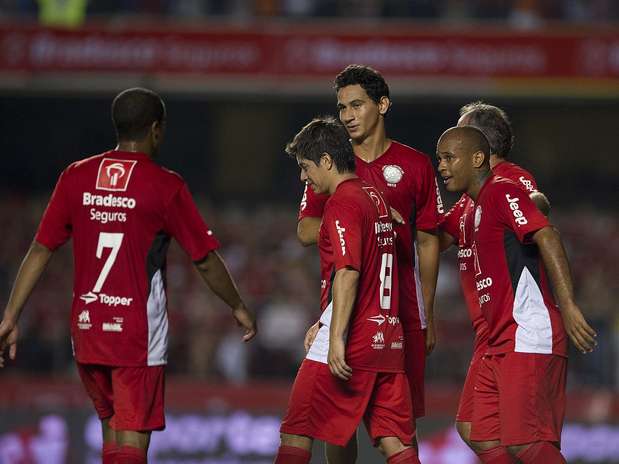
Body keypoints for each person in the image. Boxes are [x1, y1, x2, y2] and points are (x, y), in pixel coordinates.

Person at [0, 88, 257, 464]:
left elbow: (40, 249)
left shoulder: (76, 176)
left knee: (113, 434)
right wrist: (237, 305)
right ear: (156, 130)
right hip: (136, 333)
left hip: (88, 330)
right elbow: (203, 259)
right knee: (132, 441)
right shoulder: (165, 186)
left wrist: (10, 315)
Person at [298, 64, 441, 462]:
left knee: (399, 424)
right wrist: (369, 215)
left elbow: (428, 241)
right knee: (337, 423)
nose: (346, 115)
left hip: (403, 312)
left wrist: (428, 312)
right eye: (342, 107)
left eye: (356, 105)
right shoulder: (333, 164)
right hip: (346, 307)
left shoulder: (415, 165)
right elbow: (305, 229)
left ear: (382, 105)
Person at [436, 125, 596, 464]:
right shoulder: (473, 205)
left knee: (528, 444)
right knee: (481, 433)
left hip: (526, 331)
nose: (441, 166)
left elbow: (547, 235)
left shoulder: (502, 189)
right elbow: (434, 239)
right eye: (439, 159)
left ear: (478, 157)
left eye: (449, 157)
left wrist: (567, 305)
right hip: (497, 339)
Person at [276, 116, 419, 464]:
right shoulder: (377, 197)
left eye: (305, 167)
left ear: (326, 161)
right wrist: (326, 319)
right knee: (394, 443)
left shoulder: (342, 202)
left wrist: (335, 337)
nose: (303, 177)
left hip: (352, 337)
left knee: (297, 430)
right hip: (387, 338)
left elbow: (349, 272)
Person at [438, 102, 542, 451]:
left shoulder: (510, 178)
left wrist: (532, 208)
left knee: (519, 440)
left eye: (460, 133)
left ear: (478, 144)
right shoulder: (469, 198)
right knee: (472, 428)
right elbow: (438, 238)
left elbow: (535, 203)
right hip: (487, 332)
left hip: (514, 324)